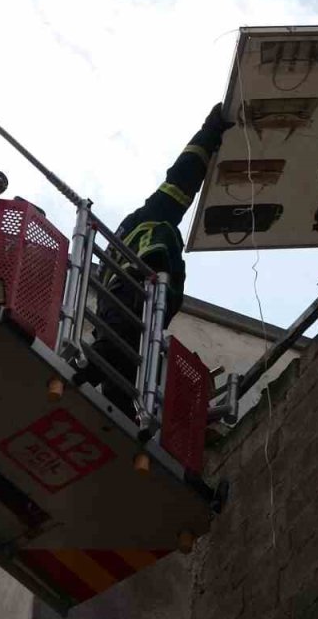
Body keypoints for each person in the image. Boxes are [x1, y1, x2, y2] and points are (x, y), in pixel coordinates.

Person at [86, 103, 234, 421]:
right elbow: (184, 175)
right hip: (139, 290)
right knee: (118, 350)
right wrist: (212, 130)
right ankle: (90, 375)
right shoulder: (153, 215)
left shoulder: (115, 250)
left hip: (131, 305)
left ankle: (117, 414)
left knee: (122, 375)